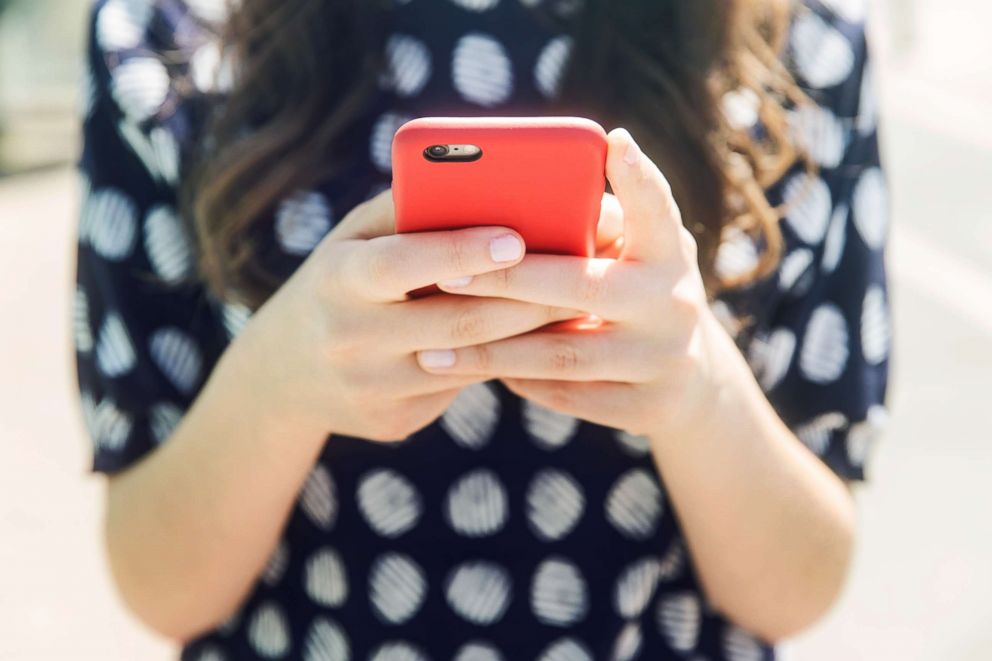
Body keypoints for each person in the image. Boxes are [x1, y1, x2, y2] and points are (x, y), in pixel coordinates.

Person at [74, 0, 890, 659]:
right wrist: (273, 390)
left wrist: (699, 390)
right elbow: (159, 584)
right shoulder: (168, 36)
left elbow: (797, 588)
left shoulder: (803, 40)